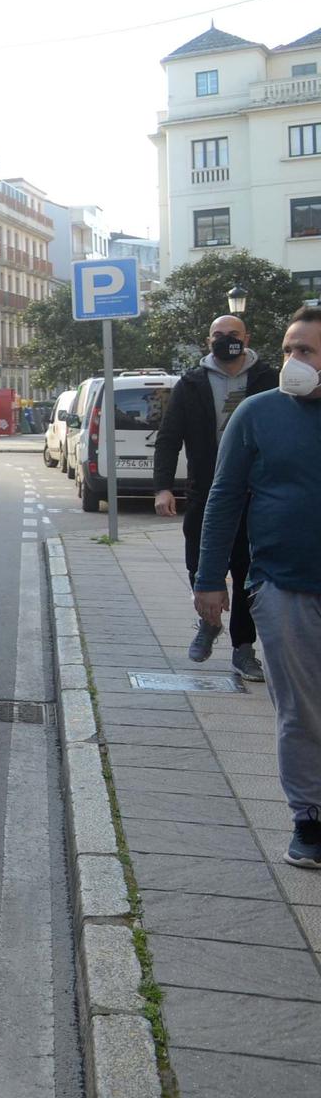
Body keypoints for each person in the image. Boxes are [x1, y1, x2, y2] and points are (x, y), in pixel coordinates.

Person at [192, 306, 321, 868]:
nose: (294, 361)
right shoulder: (256, 413)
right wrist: (208, 578)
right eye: (290, 349)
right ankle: (309, 819)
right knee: (301, 711)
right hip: (282, 585)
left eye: (308, 351)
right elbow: (223, 499)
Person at [155, 313, 279, 681]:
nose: (226, 340)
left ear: (247, 337)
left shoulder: (269, 380)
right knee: (200, 566)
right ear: (208, 340)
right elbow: (168, 437)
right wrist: (163, 487)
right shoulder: (191, 383)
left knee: (246, 574)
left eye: (233, 334)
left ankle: (243, 649)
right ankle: (207, 623)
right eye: (218, 335)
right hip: (205, 492)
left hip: (257, 496)